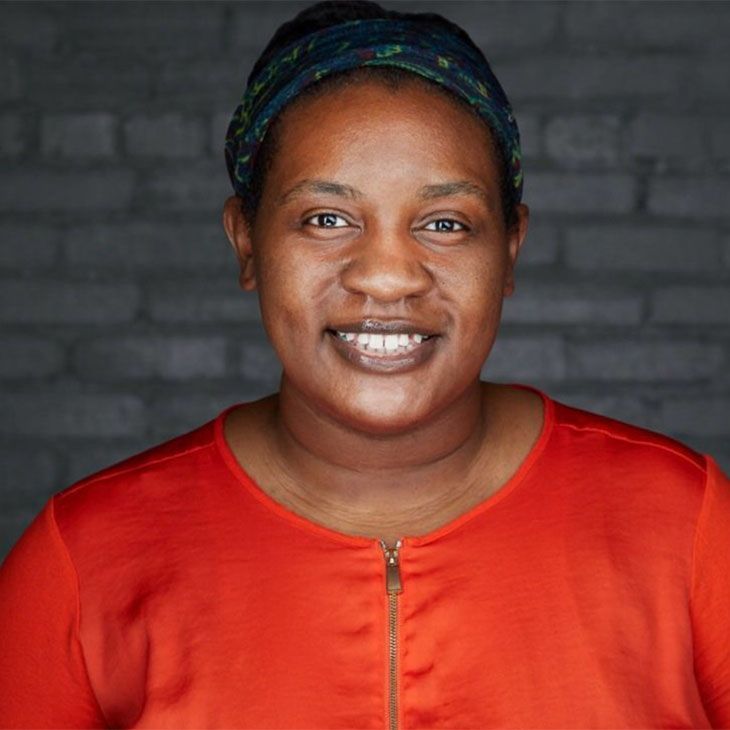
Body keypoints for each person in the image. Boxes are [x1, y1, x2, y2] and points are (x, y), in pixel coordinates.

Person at [1, 1, 729, 728]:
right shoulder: (85, 557)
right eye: (326, 219)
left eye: (445, 224)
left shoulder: (685, 525)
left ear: (509, 249)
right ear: (246, 243)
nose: (387, 276)